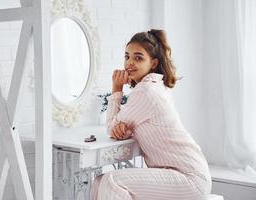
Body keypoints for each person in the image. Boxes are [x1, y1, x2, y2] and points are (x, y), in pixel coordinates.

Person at [90, 29, 212, 200]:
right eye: (127, 57)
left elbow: (111, 127)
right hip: (189, 173)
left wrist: (116, 89)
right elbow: (133, 126)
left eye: (138, 58)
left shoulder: (146, 90)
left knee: (112, 181)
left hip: (188, 178)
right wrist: (123, 128)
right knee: (99, 182)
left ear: (153, 63)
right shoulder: (155, 85)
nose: (129, 63)